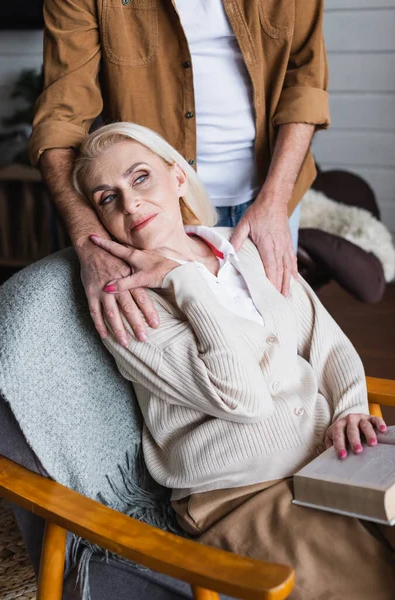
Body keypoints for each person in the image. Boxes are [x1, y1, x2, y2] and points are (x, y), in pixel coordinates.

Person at [72, 122, 395, 600]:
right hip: (245, 494)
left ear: (177, 177)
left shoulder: (239, 246)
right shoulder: (128, 305)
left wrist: (349, 406)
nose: (129, 203)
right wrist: (185, 280)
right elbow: (241, 397)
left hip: (334, 459)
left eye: (140, 178)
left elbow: (323, 336)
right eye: (107, 198)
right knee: (373, 587)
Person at [28, 0, 330, 350]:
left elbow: (305, 82)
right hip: (158, 212)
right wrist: (87, 240)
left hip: (270, 198)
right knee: (179, 353)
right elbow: (60, 120)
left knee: (285, 341)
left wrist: (275, 201)